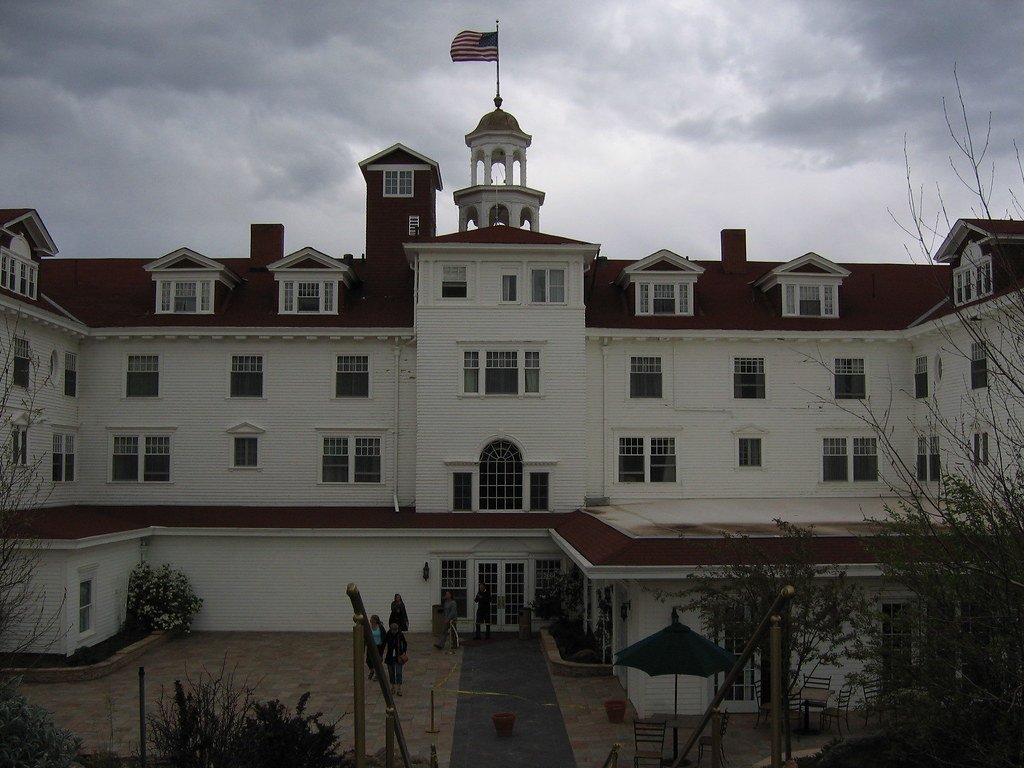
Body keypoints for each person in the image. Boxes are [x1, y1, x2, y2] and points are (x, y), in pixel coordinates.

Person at [383, 621, 407, 696]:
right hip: (390, 657)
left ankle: (399, 688)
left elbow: (405, 643)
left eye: (396, 630)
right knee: (391, 672)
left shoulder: (400, 635)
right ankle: (393, 687)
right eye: (393, 630)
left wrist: (403, 652)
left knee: (399, 673)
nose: (394, 631)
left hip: (398, 656)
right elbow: (383, 644)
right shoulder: (388, 635)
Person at [366, 614, 384, 680]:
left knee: (377, 661)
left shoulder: (380, 627)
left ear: (375, 621)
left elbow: (384, 637)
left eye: (372, 619)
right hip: (371, 646)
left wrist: (382, 647)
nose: (370, 620)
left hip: (378, 646)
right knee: (368, 660)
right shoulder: (369, 627)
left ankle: (377, 674)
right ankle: (372, 670)